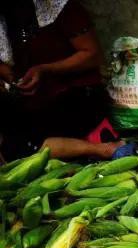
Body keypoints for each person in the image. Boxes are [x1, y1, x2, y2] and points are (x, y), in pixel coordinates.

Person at [0, 0, 123, 162]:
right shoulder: (6, 18)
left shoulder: (60, 7)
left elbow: (92, 55)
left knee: (21, 142)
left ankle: (101, 148)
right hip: (34, 102)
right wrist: (12, 77)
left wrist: (45, 70)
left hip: (76, 95)